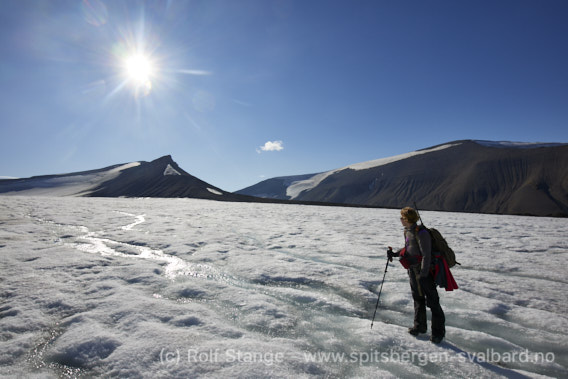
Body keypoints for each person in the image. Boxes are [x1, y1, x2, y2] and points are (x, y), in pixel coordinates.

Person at [387, 207, 445, 344]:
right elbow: (408, 248)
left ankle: (438, 333)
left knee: (433, 301)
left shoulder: (421, 233)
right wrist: (396, 254)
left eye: (402, 217)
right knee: (418, 298)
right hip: (413, 270)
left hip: (424, 271)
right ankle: (420, 327)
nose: (400, 219)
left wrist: (424, 274)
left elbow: (426, 255)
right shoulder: (407, 231)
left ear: (407, 219)